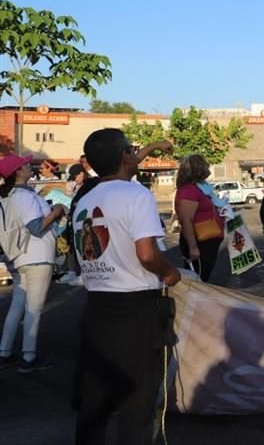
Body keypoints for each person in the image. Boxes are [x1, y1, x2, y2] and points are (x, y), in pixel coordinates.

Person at [71, 128, 181, 444]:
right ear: (125, 157)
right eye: (132, 151)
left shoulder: (85, 200)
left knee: (94, 402)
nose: (136, 155)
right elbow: (147, 254)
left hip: (96, 308)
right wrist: (169, 271)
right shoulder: (137, 195)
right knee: (137, 404)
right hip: (136, 308)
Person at [0, 154, 64, 372]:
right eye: (25, 165)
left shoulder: (8, 197)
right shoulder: (24, 197)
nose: (30, 167)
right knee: (34, 308)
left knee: (18, 306)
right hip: (36, 256)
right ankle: (29, 357)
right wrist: (56, 212)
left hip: (19, 257)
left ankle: (4, 352)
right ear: (18, 172)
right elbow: (36, 227)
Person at [174, 154, 225, 282]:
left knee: (202, 277)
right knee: (197, 280)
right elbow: (186, 219)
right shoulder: (189, 190)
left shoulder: (200, 187)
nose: (208, 167)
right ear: (198, 168)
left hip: (208, 239)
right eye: (205, 164)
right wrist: (193, 247)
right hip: (200, 240)